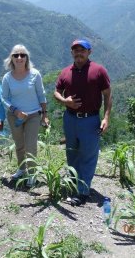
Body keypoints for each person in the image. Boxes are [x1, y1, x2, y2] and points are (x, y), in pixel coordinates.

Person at [54, 39, 112, 206]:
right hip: (70, 119)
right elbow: (56, 92)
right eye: (76, 50)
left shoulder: (99, 71)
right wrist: (65, 101)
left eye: (82, 50)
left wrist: (106, 117)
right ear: (72, 52)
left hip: (91, 120)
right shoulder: (66, 72)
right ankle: (73, 183)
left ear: (89, 52)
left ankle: (83, 191)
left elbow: (108, 95)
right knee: (72, 153)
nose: (79, 53)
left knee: (88, 155)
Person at [1, 44, 50, 187]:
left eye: (22, 55)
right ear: (11, 58)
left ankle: (32, 172)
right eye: (16, 55)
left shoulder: (35, 74)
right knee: (19, 145)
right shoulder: (7, 77)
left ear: (27, 58)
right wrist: (15, 111)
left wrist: (44, 115)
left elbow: (42, 95)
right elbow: (4, 98)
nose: (19, 57)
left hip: (33, 115)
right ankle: (22, 169)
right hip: (15, 116)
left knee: (30, 145)